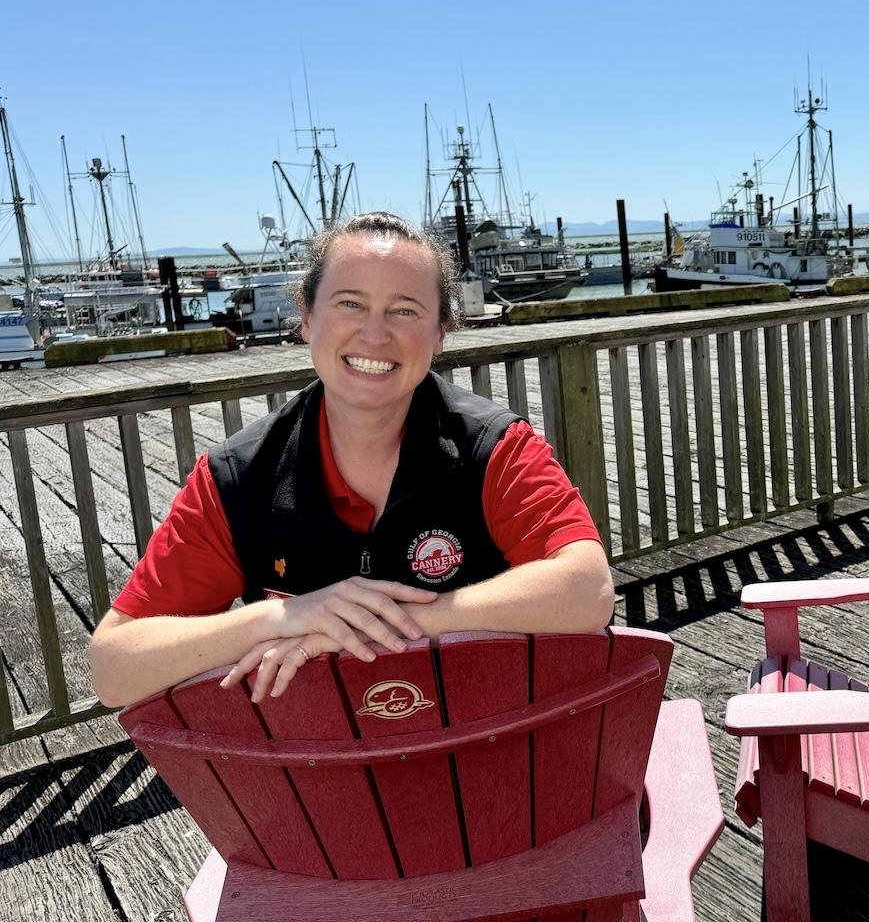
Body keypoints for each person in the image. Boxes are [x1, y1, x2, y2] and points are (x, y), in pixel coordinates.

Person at [89, 212, 615, 708]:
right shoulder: (239, 477)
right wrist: (284, 617)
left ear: (438, 333)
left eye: (405, 310)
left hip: (485, 730)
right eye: (350, 304)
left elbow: (587, 589)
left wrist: (364, 625)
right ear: (306, 319)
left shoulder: (492, 447)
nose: (375, 333)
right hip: (322, 757)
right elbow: (114, 668)